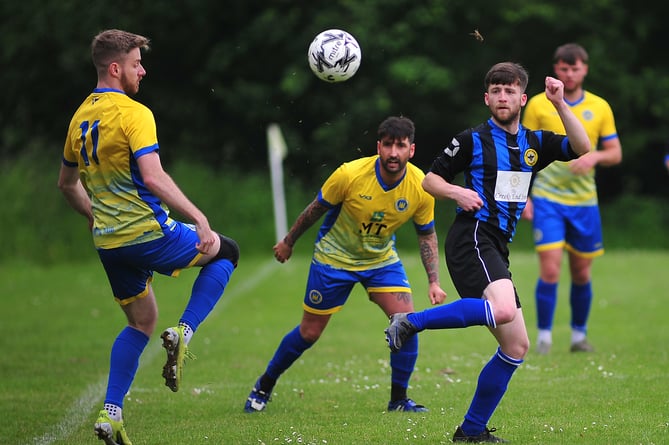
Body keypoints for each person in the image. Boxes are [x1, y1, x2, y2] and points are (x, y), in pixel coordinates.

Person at [384, 62, 591, 442]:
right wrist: (457, 191)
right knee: (504, 309)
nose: (502, 97)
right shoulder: (471, 140)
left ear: (522, 98)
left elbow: (582, 147)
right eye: (495, 90)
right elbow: (430, 179)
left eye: (509, 91)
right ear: (486, 97)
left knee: (517, 345)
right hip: (473, 237)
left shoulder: (534, 143)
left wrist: (561, 104)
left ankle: (471, 430)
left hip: (496, 244)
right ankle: (410, 322)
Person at [58, 29, 239, 445]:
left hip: (108, 243)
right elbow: (153, 176)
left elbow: (67, 184)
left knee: (141, 322)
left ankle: (112, 414)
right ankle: (185, 333)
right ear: (116, 67)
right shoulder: (134, 112)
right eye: (137, 62)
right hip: (147, 233)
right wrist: (199, 217)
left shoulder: (80, 116)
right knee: (225, 250)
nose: (143, 69)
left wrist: (94, 214)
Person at [244, 116, 447, 414]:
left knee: (406, 324)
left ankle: (399, 400)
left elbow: (427, 235)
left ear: (411, 150)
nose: (393, 153)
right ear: (378, 146)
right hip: (334, 259)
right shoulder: (349, 175)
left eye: (400, 146)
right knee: (310, 333)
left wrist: (433, 281)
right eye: (388, 145)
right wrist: (289, 241)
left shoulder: (421, 186)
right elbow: (315, 210)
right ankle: (264, 385)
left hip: (380, 260)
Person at [522, 43, 622, 354]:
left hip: (584, 202)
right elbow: (521, 153)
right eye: (564, 68)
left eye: (575, 68)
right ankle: (544, 339)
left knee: (581, 271)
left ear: (585, 69)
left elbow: (615, 153)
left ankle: (578, 337)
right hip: (547, 198)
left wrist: (594, 158)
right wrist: (523, 196)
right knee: (550, 270)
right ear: (556, 70)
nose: (569, 73)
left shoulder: (600, 107)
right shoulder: (539, 104)